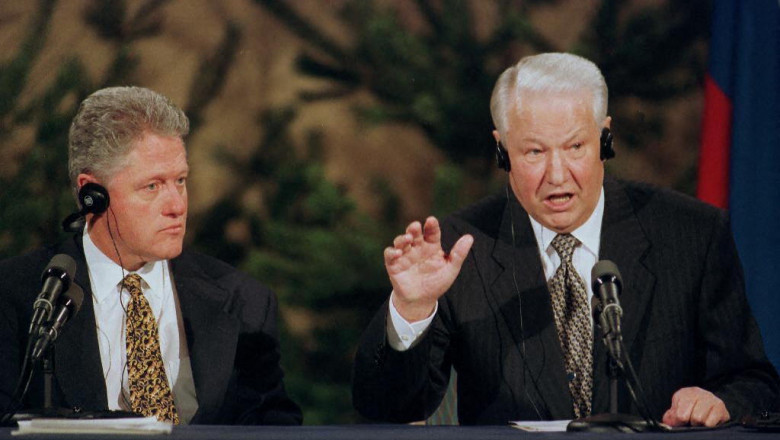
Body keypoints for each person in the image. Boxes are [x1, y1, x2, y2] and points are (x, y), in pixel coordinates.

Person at [352, 53, 779, 426]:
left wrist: (719, 401)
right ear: (502, 150)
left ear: (604, 138)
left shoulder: (690, 235)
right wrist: (411, 309)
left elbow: (755, 384)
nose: (557, 175)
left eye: (575, 147)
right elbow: (386, 408)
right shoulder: (459, 250)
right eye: (534, 152)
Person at [0, 86, 302, 425]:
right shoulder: (17, 296)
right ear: (92, 195)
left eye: (181, 181)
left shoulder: (244, 301)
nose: (177, 206)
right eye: (153, 186)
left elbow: (273, 427)